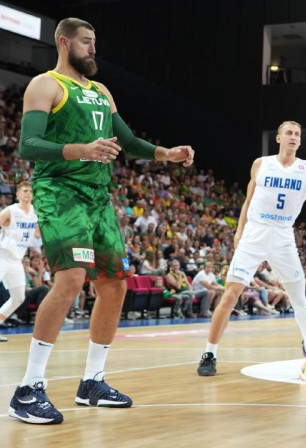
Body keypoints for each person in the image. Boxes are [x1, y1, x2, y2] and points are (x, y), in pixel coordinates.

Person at [10, 18, 194, 425]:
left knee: (114, 284)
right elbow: (28, 145)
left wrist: (167, 154)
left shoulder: (100, 91)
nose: (93, 49)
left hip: (97, 197)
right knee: (72, 279)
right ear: (64, 42)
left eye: (95, 43)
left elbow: (126, 141)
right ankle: (28, 388)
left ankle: (92, 381)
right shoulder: (45, 85)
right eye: (86, 42)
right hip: (60, 192)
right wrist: (81, 149)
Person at [196, 121, 306, 377]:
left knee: (299, 297)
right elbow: (247, 201)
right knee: (231, 295)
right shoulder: (261, 163)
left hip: (283, 235)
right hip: (255, 232)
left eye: (297, 134)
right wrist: (239, 233)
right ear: (278, 138)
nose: (293, 137)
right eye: (289, 133)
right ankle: (210, 353)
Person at [0, 181, 39, 342]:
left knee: (18, 297)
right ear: (17, 194)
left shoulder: (35, 213)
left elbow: (37, 234)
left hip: (17, 259)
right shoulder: (11, 210)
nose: (28, 193)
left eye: (30, 191)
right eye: (24, 191)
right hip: (3, 254)